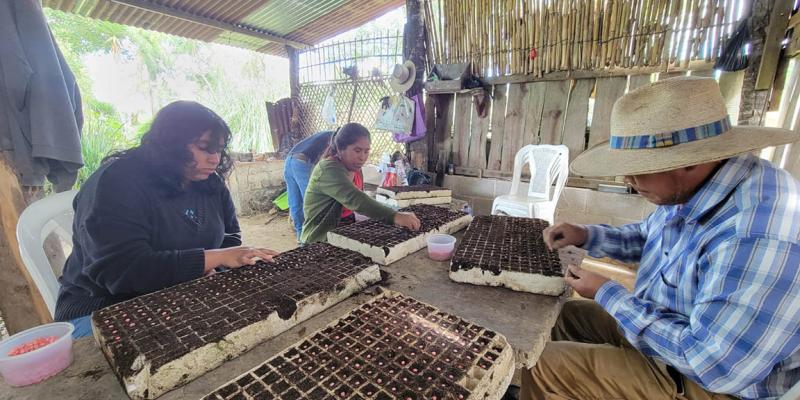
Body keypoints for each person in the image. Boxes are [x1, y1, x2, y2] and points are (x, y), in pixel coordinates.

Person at [525, 77, 800, 400]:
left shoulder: (756, 231)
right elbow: (648, 236)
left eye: (640, 168)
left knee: (541, 366)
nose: (628, 180)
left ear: (690, 161)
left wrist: (607, 292)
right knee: (560, 319)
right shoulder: (700, 186)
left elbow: (714, 365)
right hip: (673, 331)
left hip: (717, 384)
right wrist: (586, 235)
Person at [54, 101, 277, 338]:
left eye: (219, 149)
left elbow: (229, 238)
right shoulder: (117, 183)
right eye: (204, 147)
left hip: (181, 294)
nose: (215, 158)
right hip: (106, 307)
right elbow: (122, 270)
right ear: (170, 144)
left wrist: (213, 266)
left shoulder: (209, 182)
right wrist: (213, 259)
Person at [300, 122, 421, 244]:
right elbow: (356, 199)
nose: (362, 157)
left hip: (344, 232)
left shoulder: (355, 168)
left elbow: (357, 207)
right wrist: (394, 216)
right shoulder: (328, 169)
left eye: (366, 151)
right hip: (320, 239)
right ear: (340, 149)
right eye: (357, 151)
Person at [284, 130, 334, 240]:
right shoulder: (336, 138)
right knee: (311, 200)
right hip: (301, 162)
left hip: (289, 161)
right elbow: (326, 161)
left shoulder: (326, 135)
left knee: (295, 201)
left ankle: (300, 235)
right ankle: (311, 235)